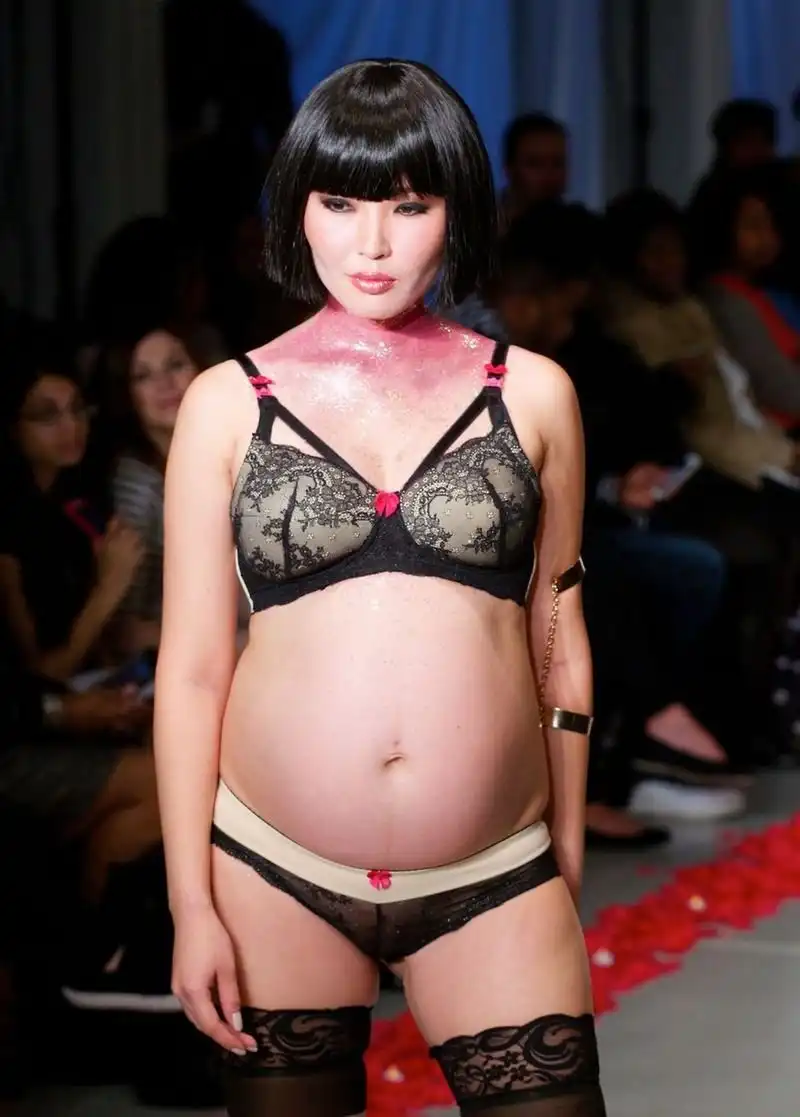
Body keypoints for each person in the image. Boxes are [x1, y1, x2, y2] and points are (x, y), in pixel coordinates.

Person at [155, 60, 604, 1117]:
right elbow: (193, 669)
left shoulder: (535, 393)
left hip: (497, 868)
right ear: (296, 211)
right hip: (270, 865)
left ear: (458, 211)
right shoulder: (225, 403)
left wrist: (567, 855)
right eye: (340, 203)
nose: (370, 243)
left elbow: (559, 637)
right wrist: (189, 903)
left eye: (408, 206)